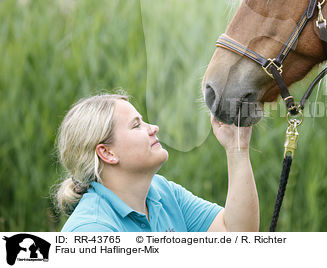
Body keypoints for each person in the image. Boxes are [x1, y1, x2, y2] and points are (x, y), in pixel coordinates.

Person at [54, 93, 259, 232]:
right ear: (107, 153)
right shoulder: (92, 230)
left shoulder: (163, 193)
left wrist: (237, 149)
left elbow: (235, 234)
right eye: (136, 125)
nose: (153, 128)